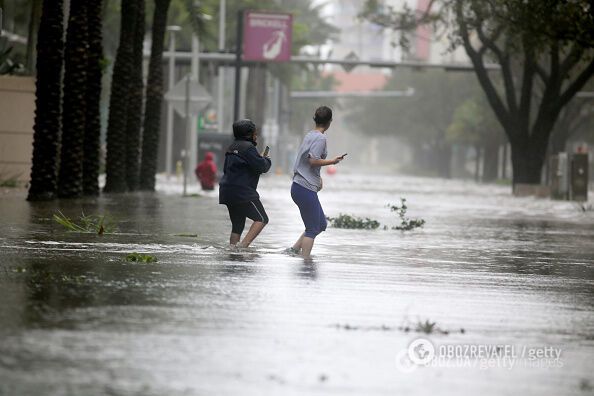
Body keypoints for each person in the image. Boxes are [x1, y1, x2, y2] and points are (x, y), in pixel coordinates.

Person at [290, 106, 344, 259]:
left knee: (321, 224)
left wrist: (318, 178)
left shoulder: (310, 135)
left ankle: (294, 250)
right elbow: (313, 160)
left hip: (300, 186)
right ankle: (306, 262)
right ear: (330, 122)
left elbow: (307, 161)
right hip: (304, 187)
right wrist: (332, 161)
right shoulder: (320, 138)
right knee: (312, 229)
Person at [219, 119, 271, 248]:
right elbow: (262, 167)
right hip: (242, 192)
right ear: (249, 134)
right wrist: (266, 160)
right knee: (262, 219)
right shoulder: (248, 148)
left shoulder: (231, 147)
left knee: (237, 226)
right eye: (254, 133)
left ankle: (232, 249)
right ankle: (243, 248)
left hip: (227, 192)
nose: (256, 135)